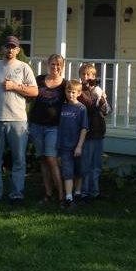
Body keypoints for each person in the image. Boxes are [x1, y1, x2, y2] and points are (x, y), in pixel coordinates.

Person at [0, 36, 38, 203]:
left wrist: (15, 86)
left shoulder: (24, 67)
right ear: (2, 49)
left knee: (19, 160)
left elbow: (34, 91)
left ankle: (17, 194)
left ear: (18, 50)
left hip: (18, 121)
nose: (10, 50)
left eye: (13, 47)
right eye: (7, 47)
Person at [31, 53, 66, 203]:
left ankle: (62, 194)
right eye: (53, 64)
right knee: (43, 159)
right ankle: (48, 193)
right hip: (37, 124)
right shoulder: (39, 80)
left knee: (51, 158)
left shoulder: (65, 84)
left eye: (58, 65)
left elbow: (77, 95)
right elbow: (28, 93)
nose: (55, 67)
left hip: (54, 126)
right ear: (48, 64)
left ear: (62, 67)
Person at [78, 62, 112, 201]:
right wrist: (97, 98)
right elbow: (90, 107)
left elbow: (107, 111)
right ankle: (84, 192)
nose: (86, 77)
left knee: (96, 165)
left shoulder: (98, 91)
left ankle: (95, 191)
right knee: (85, 165)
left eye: (89, 75)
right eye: (84, 74)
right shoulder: (78, 91)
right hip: (85, 134)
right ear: (80, 76)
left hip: (98, 133)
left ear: (94, 76)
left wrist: (102, 99)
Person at [57, 79, 88, 210]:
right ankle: (69, 197)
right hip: (64, 146)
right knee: (67, 172)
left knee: (79, 171)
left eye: (74, 92)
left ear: (79, 93)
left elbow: (84, 128)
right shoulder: (62, 107)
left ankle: (78, 193)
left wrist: (79, 146)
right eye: (68, 92)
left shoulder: (81, 108)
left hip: (77, 146)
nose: (71, 94)